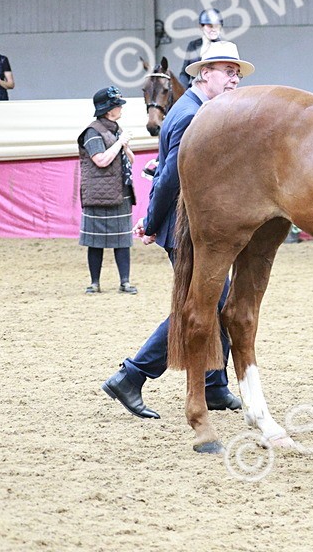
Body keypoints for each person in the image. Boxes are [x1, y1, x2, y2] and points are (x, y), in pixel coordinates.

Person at [100, 41, 253, 419]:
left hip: (187, 222)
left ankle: (215, 386)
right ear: (204, 74)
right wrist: (151, 223)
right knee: (204, 306)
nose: (234, 77)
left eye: (237, 71)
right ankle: (131, 376)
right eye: (226, 70)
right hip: (183, 226)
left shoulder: (198, 110)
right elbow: (171, 177)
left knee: (215, 304)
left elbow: (168, 166)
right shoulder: (191, 115)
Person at [78, 86, 136, 294]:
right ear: (109, 109)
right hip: (99, 194)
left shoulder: (116, 130)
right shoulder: (92, 132)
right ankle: (95, 282)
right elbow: (100, 160)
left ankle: (125, 281)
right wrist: (120, 143)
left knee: (123, 239)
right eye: (118, 105)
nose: (121, 108)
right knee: (95, 241)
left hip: (120, 191)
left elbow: (131, 159)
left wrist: (125, 146)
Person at [178, 8, 224, 88]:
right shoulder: (193, 45)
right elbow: (184, 73)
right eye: (210, 26)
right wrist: (182, 90)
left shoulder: (225, 47)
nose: (213, 30)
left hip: (217, 91)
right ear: (201, 27)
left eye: (216, 26)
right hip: (195, 88)